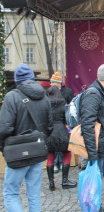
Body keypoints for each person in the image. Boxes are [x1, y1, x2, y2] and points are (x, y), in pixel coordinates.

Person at [0, 63, 53, 212]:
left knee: (11, 193)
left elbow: (4, 128)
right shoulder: (45, 97)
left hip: (17, 152)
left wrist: (4, 148)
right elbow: (49, 127)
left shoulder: (12, 97)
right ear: (32, 78)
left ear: (17, 81)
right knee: (34, 193)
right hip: (37, 150)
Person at [80, 63, 104, 212]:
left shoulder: (102, 94)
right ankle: (93, 208)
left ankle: (97, 207)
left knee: (97, 181)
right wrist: (92, 153)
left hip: (101, 146)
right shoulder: (94, 94)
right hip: (96, 148)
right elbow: (87, 124)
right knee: (93, 182)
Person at [46, 86, 77, 191]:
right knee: (67, 155)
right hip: (62, 132)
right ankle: (65, 181)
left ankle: (51, 183)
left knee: (50, 156)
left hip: (50, 133)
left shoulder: (46, 105)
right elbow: (67, 120)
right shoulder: (64, 105)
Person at [49, 71, 74, 173]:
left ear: (59, 84)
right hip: (52, 124)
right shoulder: (48, 92)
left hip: (63, 123)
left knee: (62, 146)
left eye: (55, 83)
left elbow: (71, 106)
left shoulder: (67, 92)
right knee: (53, 147)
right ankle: (55, 164)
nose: (52, 85)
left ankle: (61, 165)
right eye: (52, 83)